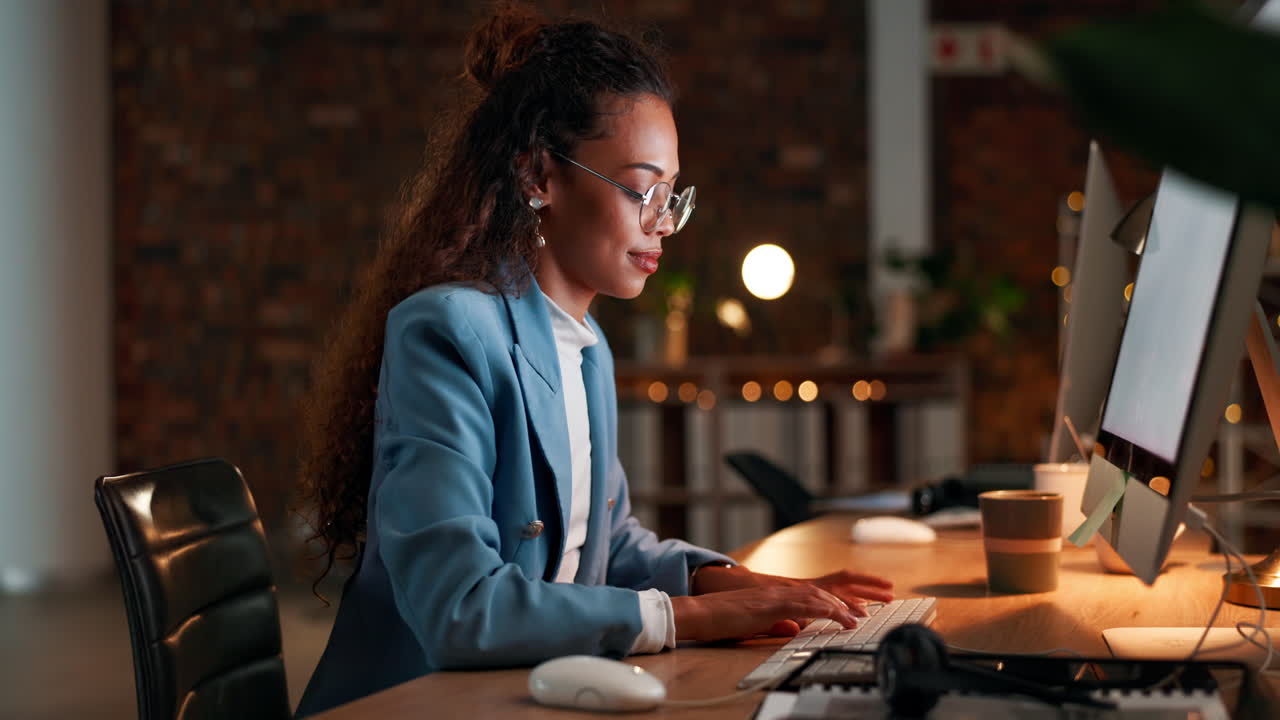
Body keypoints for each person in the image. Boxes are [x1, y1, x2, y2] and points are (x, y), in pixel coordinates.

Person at [293, 5, 893, 715]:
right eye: (644, 190)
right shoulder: (448, 331)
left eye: (674, 197)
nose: (663, 223)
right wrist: (684, 618)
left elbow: (605, 544)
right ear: (539, 176)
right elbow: (459, 606)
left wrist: (739, 585)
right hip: (419, 701)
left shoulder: (587, 347)